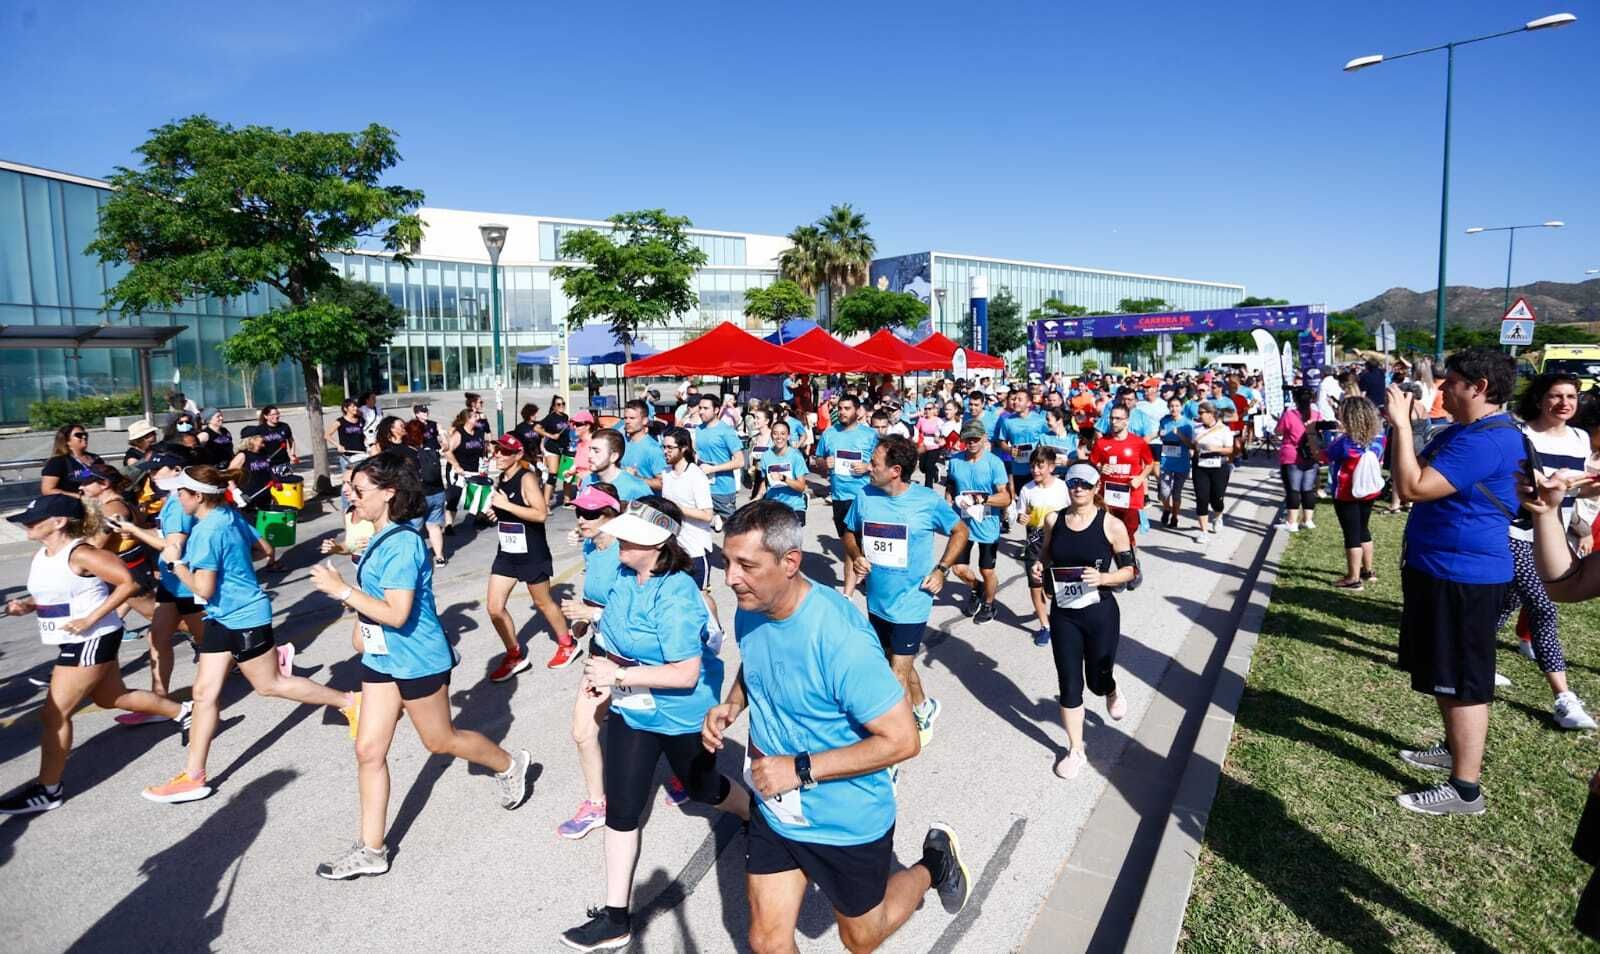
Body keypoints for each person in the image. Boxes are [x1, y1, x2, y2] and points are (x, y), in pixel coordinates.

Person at [705, 501, 971, 953]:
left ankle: (933, 865)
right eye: (729, 562)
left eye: (746, 565)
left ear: (790, 563)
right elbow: (756, 665)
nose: (730, 577)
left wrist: (800, 768)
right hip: (778, 807)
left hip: (845, 818)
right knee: (767, 941)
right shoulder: (752, 608)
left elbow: (903, 740)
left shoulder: (840, 639)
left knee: (862, 938)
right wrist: (732, 704)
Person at [309, 454, 533, 880]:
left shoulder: (405, 543)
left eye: (359, 491)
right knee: (368, 749)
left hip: (417, 658)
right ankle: (372, 849)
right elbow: (372, 584)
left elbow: (397, 614)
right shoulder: (377, 535)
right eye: (350, 489)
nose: (350, 497)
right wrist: (350, 580)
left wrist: (342, 592)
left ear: (390, 493)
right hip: (381, 657)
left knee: (439, 740)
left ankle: (509, 764)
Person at [559, 497, 750, 951]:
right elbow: (614, 632)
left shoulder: (680, 593)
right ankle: (615, 917)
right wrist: (602, 674)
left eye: (631, 536)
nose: (620, 540)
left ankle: (752, 814)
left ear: (659, 543)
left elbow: (685, 673)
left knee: (704, 790)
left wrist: (619, 675)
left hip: (682, 716)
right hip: (633, 712)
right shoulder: (627, 577)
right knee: (623, 809)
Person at [141, 465, 360, 803]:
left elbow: (203, 586)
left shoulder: (207, 532)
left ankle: (348, 702)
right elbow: (264, 549)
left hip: (244, 618)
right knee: (203, 693)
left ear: (198, 496)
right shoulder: (227, 515)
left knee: (269, 685)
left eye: (180, 492)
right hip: (221, 617)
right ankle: (193, 775)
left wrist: (174, 563)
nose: (176, 498)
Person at [1389, 348, 1526, 816]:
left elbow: (1413, 488)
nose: (1442, 388)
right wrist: (1405, 435)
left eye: (1451, 382)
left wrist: (1404, 427)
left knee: (1464, 682)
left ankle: (1465, 789)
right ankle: (1453, 750)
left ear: (1479, 386)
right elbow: (1409, 474)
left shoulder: (1487, 440)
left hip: (1464, 576)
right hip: (1438, 569)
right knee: (1444, 674)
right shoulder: (1463, 431)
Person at [0, 495, 191, 815]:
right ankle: (185, 712)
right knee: (112, 697)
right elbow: (56, 594)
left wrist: (91, 618)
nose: (27, 524)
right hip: (76, 639)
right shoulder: (44, 555)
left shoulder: (83, 553)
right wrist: (28, 606)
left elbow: (128, 583)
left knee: (54, 714)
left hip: (92, 638)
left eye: (34, 519)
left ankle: (48, 789)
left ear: (59, 521)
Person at [842, 436, 968, 757]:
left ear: (895, 470)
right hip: (878, 600)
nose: (868, 468)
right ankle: (924, 707)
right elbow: (848, 530)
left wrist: (942, 569)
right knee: (896, 659)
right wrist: (856, 553)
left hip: (913, 601)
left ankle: (890, 750)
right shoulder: (865, 496)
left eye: (875, 464)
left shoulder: (926, 501)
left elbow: (960, 531)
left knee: (894, 672)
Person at [1492, 372, 1596, 729]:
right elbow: (1514, 485)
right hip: (1518, 532)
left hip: (1556, 536)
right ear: (1539, 399)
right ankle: (1564, 699)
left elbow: (1573, 492)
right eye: (1556, 396)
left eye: (1571, 396)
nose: (1565, 403)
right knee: (1543, 606)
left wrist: (1584, 509)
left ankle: (1473, 654)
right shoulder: (1522, 436)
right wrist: (1551, 486)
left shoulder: (1581, 438)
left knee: (1508, 600)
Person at [1029, 463, 1136, 778]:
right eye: (1073, 482)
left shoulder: (1111, 525)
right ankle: (1076, 749)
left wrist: (1104, 577)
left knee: (1097, 681)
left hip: (1100, 613)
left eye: (1085, 484)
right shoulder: (1054, 519)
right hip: (1065, 614)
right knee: (1070, 683)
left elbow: (1130, 570)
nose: (1078, 488)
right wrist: (1039, 567)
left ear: (1096, 487)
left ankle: (1111, 689)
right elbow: (1046, 555)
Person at [113, 453, 204, 714]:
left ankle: (265, 658)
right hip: (170, 582)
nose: (152, 476)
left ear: (177, 469)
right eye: (150, 472)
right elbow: (164, 535)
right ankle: (160, 702)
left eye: (157, 470)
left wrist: (134, 531)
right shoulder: (171, 501)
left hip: (186, 582)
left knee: (209, 642)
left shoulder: (179, 503)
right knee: (157, 638)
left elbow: (172, 545)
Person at [484, 433, 576, 678]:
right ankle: (514, 655)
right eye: (497, 451)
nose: (499, 455)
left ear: (518, 454)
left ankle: (568, 643)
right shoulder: (501, 479)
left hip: (531, 551)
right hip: (506, 551)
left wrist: (506, 507)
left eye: (505, 452)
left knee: (543, 603)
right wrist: (496, 514)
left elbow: (540, 514)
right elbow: (509, 511)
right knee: (494, 607)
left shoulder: (526, 478)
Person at [660, 427, 725, 633]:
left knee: (701, 594)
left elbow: (707, 514)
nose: (666, 451)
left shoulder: (696, 476)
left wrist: (677, 509)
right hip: (673, 548)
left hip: (696, 548)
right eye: (664, 447)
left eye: (670, 447)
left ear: (684, 448)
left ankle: (717, 629)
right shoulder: (667, 474)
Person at [945, 420, 1011, 623]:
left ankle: (989, 604)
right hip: (963, 524)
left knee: (987, 570)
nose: (971, 442)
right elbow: (951, 485)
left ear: (984, 438)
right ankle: (976, 588)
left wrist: (983, 499)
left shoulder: (994, 463)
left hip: (988, 525)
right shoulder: (955, 461)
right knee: (958, 569)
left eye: (976, 438)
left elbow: (1006, 497)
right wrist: (949, 502)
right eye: (968, 438)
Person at [815, 394, 879, 598]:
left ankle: (848, 594)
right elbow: (817, 460)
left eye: (847, 408)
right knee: (849, 545)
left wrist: (868, 467)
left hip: (864, 497)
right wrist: (825, 464)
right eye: (840, 408)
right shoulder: (829, 434)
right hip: (839, 498)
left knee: (860, 545)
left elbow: (884, 463)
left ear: (857, 411)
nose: (842, 412)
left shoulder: (869, 435)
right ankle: (861, 578)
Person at [1324, 396, 1385, 589]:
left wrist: (1310, 434)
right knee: (1363, 529)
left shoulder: (1344, 443)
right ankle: (1368, 571)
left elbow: (1323, 456)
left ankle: (1353, 578)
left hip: (1346, 492)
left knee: (1351, 534)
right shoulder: (1380, 439)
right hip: (1369, 491)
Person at [1089, 405, 1154, 586]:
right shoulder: (1102, 443)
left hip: (1131, 497)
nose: (1113, 422)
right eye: (1111, 418)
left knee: (1128, 534)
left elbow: (1149, 463)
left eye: (1118, 419)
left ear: (1126, 421)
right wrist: (1100, 468)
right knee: (1107, 535)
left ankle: (1131, 567)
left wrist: (1140, 478)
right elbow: (1093, 463)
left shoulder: (1138, 442)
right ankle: (1117, 575)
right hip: (1108, 496)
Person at [1019, 447, 1070, 647]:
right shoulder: (1026, 489)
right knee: (1035, 585)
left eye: (1040, 466)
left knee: (1054, 590)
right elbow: (1019, 513)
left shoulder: (1063, 488)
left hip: (1059, 543)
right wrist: (1020, 517)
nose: (1035, 471)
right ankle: (1045, 626)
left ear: (1051, 466)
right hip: (1034, 543)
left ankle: (1063, 620)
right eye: (1032, 466)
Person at [690, 393, 745, 527]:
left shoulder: (726, 431)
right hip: (702, 487)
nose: (701, 411)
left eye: (705, 408)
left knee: (731, 529)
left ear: (716, 410)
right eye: (700, 408)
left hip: (723, 489)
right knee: (701, 527)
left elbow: (740, 461)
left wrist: (713, 469)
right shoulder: (698, 430)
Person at [1275, 386, 1321, 533]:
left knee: (1293, 489)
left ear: (1295, 399)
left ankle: (1291, 522)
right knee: (1308, 489)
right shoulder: (1317, 414)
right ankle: (1308, 520)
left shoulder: (1289, 415)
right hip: (1311, 454)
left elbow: (1278, 431)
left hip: (1292, 455)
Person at [1191, 401, 1236, 535]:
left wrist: (1215, 448)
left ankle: (1217, 516)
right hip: (1200, 466)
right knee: (1201, 498)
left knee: (1217, 498)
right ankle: (1204, 531)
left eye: (1201, 413)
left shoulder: (1223, 429)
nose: (1199, 416)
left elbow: (1230, 450)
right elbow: (1194, 446)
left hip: (1219, 466)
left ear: (1211, 414)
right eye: (1198, 413)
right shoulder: (1197, 429)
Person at [442, 407, 487, 533]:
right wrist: (456, 466)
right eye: (474, 416)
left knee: (480, 493)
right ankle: (449, 525)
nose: (477, 418)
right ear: (467, 420)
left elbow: (482, 448)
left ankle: (480, 517)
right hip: (458, 471)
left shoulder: (479, 432)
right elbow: (447, 451)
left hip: (474, 469)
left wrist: (485, 458)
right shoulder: (459, 433)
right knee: (455, 497)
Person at [759, 418, 811, 520]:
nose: (779, 437)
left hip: (794, 506)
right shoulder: (766, 456)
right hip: (773, 505)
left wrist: (784, 478)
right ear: (771, 436)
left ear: (788, 436)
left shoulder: (796, 456)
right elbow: (765, 482)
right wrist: (758, 497)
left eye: (783, 434)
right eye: (775, 433)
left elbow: (802, 487)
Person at [1156, 397, 1195, 529]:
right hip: (1166, 461)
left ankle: (1175, 516)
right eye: (1172, 406)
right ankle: (1167, 508)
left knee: (1176, 492)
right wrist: (1160, 435)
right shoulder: (1165, 421)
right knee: (1164, 492)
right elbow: (1160, 434)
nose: (1174, 408)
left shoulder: (1187, 423)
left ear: (1181, 407)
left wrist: (1180, 435)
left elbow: (1191, 445)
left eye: (1177, 406)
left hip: (1182, 462)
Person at [583, 429, 652, 502]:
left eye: (596, 451)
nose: (589, 455)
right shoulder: (587, 480)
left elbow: (654, 511)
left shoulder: (636, 487)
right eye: (589, 450)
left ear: (614, 457)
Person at [40, 423, 104, 497]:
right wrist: (78, 496)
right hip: (72, 504)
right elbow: (47, 490)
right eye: (79, 435)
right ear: (67, 441)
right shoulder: (57, 462)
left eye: (85, 434)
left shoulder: (95, 458)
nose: (84, 437)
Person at [619, 399, 667, 493]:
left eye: (632, 418)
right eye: (625, 418)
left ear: (645, 420)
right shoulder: (623, 443)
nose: (627, 421)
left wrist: (638, 478)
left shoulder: (653, 449)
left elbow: (663, 483)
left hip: (645, 503)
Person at [326, 399, 371, 475]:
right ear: (345, 409)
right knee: (348, 480)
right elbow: (327, 435)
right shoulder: (340, 421)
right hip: (347, 457)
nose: (355, 408)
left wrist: (369, 446)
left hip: (361, 454)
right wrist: (338, 446)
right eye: (353, 406)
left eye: (356, 406)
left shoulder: (361, 420)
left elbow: (364, 435)